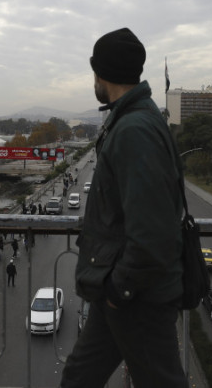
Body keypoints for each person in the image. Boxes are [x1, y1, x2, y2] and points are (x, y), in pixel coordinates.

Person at [61, 28, 188, 388]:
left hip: (137, 297)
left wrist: (121, 291)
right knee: (78, 377)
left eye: (94, 72)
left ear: (103, 74)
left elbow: (152, 232)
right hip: (121, 289)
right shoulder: (134, 118)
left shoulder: (134, 129)